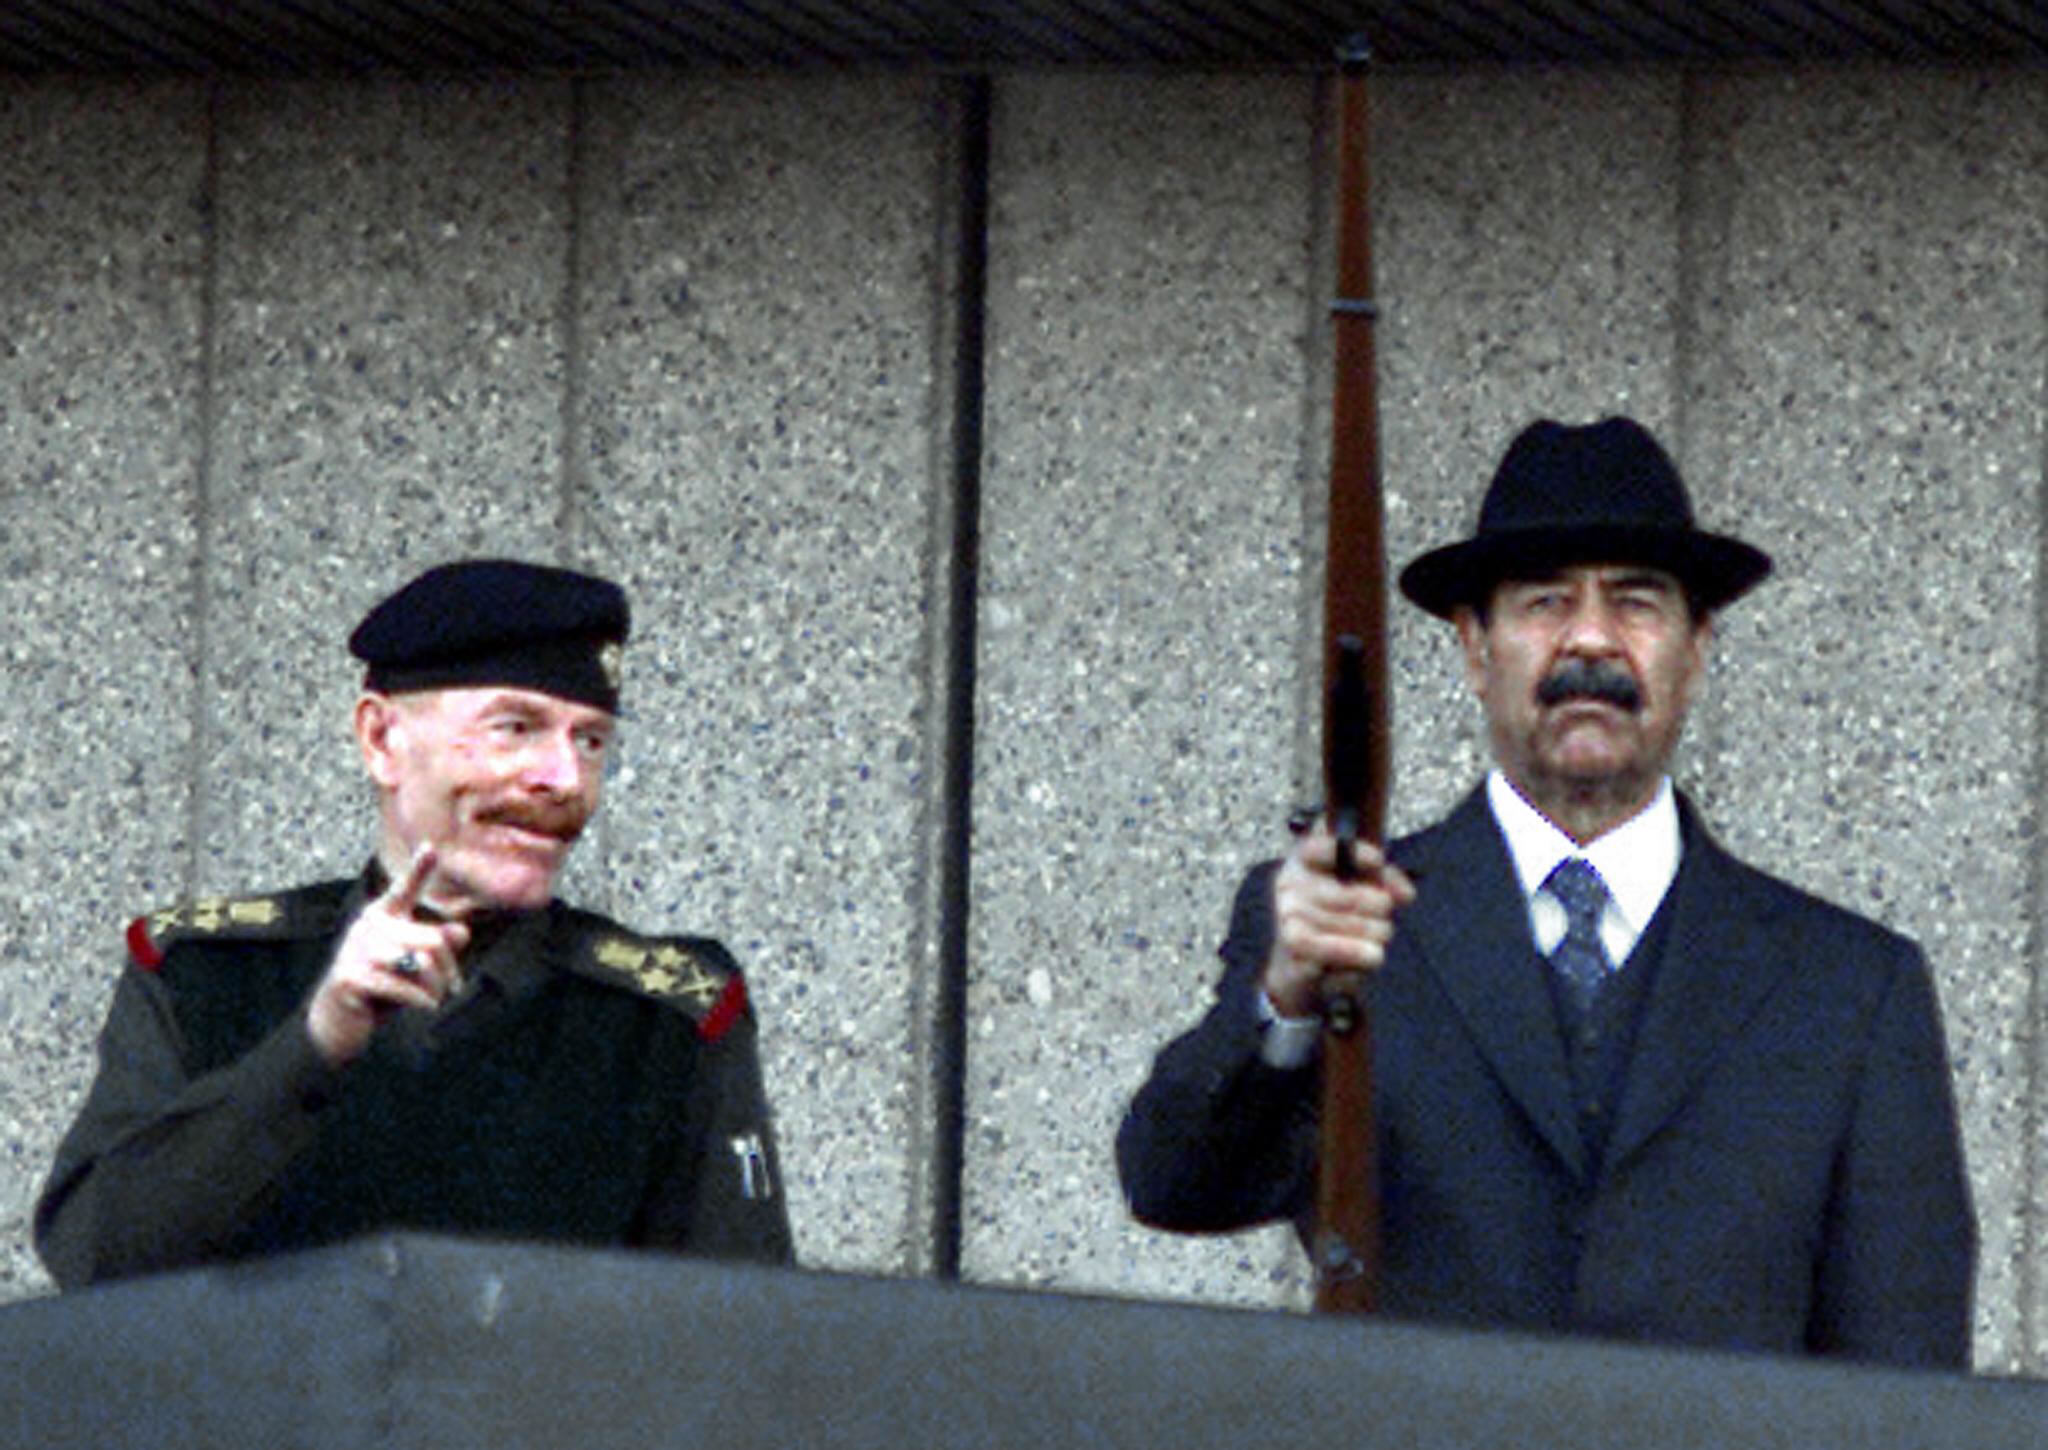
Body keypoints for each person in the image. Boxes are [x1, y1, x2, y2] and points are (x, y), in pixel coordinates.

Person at [1117, 417, 1975, 1367]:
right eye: (1545, 601)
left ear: (1697, 649)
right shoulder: (1348, 928)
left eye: (1638, 603)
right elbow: (1173, 1184)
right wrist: (1282, 999)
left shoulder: (1851, 991)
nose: (1592, 641)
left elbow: (1908, 1381)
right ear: (1476, 648)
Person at [37, 558, 794, 1286]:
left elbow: (745, 1339)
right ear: (381, 740)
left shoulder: (663, 1017)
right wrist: (315, 1044)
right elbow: (96, 1256)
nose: (563, 779)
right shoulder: (205, 972)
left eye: (589, 739)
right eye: (516, 727)